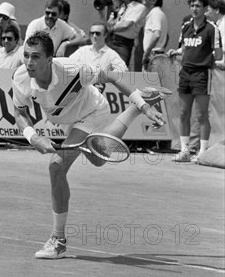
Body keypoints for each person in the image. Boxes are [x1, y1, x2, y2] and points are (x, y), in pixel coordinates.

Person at [12, 31, 167, 259]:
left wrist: (144, 107)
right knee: (97, 159)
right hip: (66, 119)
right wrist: (33, 137)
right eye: (26, 55)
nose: (28, 62)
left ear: (49, 59)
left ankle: (58, 241)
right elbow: (19, 112)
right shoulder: (20, 77)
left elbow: (112, 76)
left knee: (56, 167)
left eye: (35, 57)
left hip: (91, 111)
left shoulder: (73, 69)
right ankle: (131, 112)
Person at [167, 0, 222, 163]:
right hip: (185, 73)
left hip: (202, 74)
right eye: (192, 5)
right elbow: (184, 48)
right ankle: (185, 151)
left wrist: (207, 58)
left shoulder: (212, 29)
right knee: (184, 113)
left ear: (205, 8)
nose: (194, 8)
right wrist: (174, 51)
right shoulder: (186, 27)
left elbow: (219, 54)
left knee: (202, 115)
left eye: (198, 6)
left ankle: (203, 152)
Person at [106, 0, 147, 68]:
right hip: (112, 40)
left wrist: (109, 30)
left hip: (123, 44)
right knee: (106, 68)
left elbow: (126, 25)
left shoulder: (139, 7)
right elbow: (112, 23)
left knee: (120, 71)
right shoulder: (123, 7)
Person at [141, 0, 169, 71]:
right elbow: (167, 37)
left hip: (152, 56)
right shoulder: (160, 13)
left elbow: (157, 34)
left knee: (149, 83)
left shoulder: (155, 13)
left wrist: (147, 53)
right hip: (157, 54)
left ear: (154, 0)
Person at [206, 0, 225, 69]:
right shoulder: (216, 25)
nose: (205, 14)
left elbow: (222, 48)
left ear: (217, 10)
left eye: (207, 10)